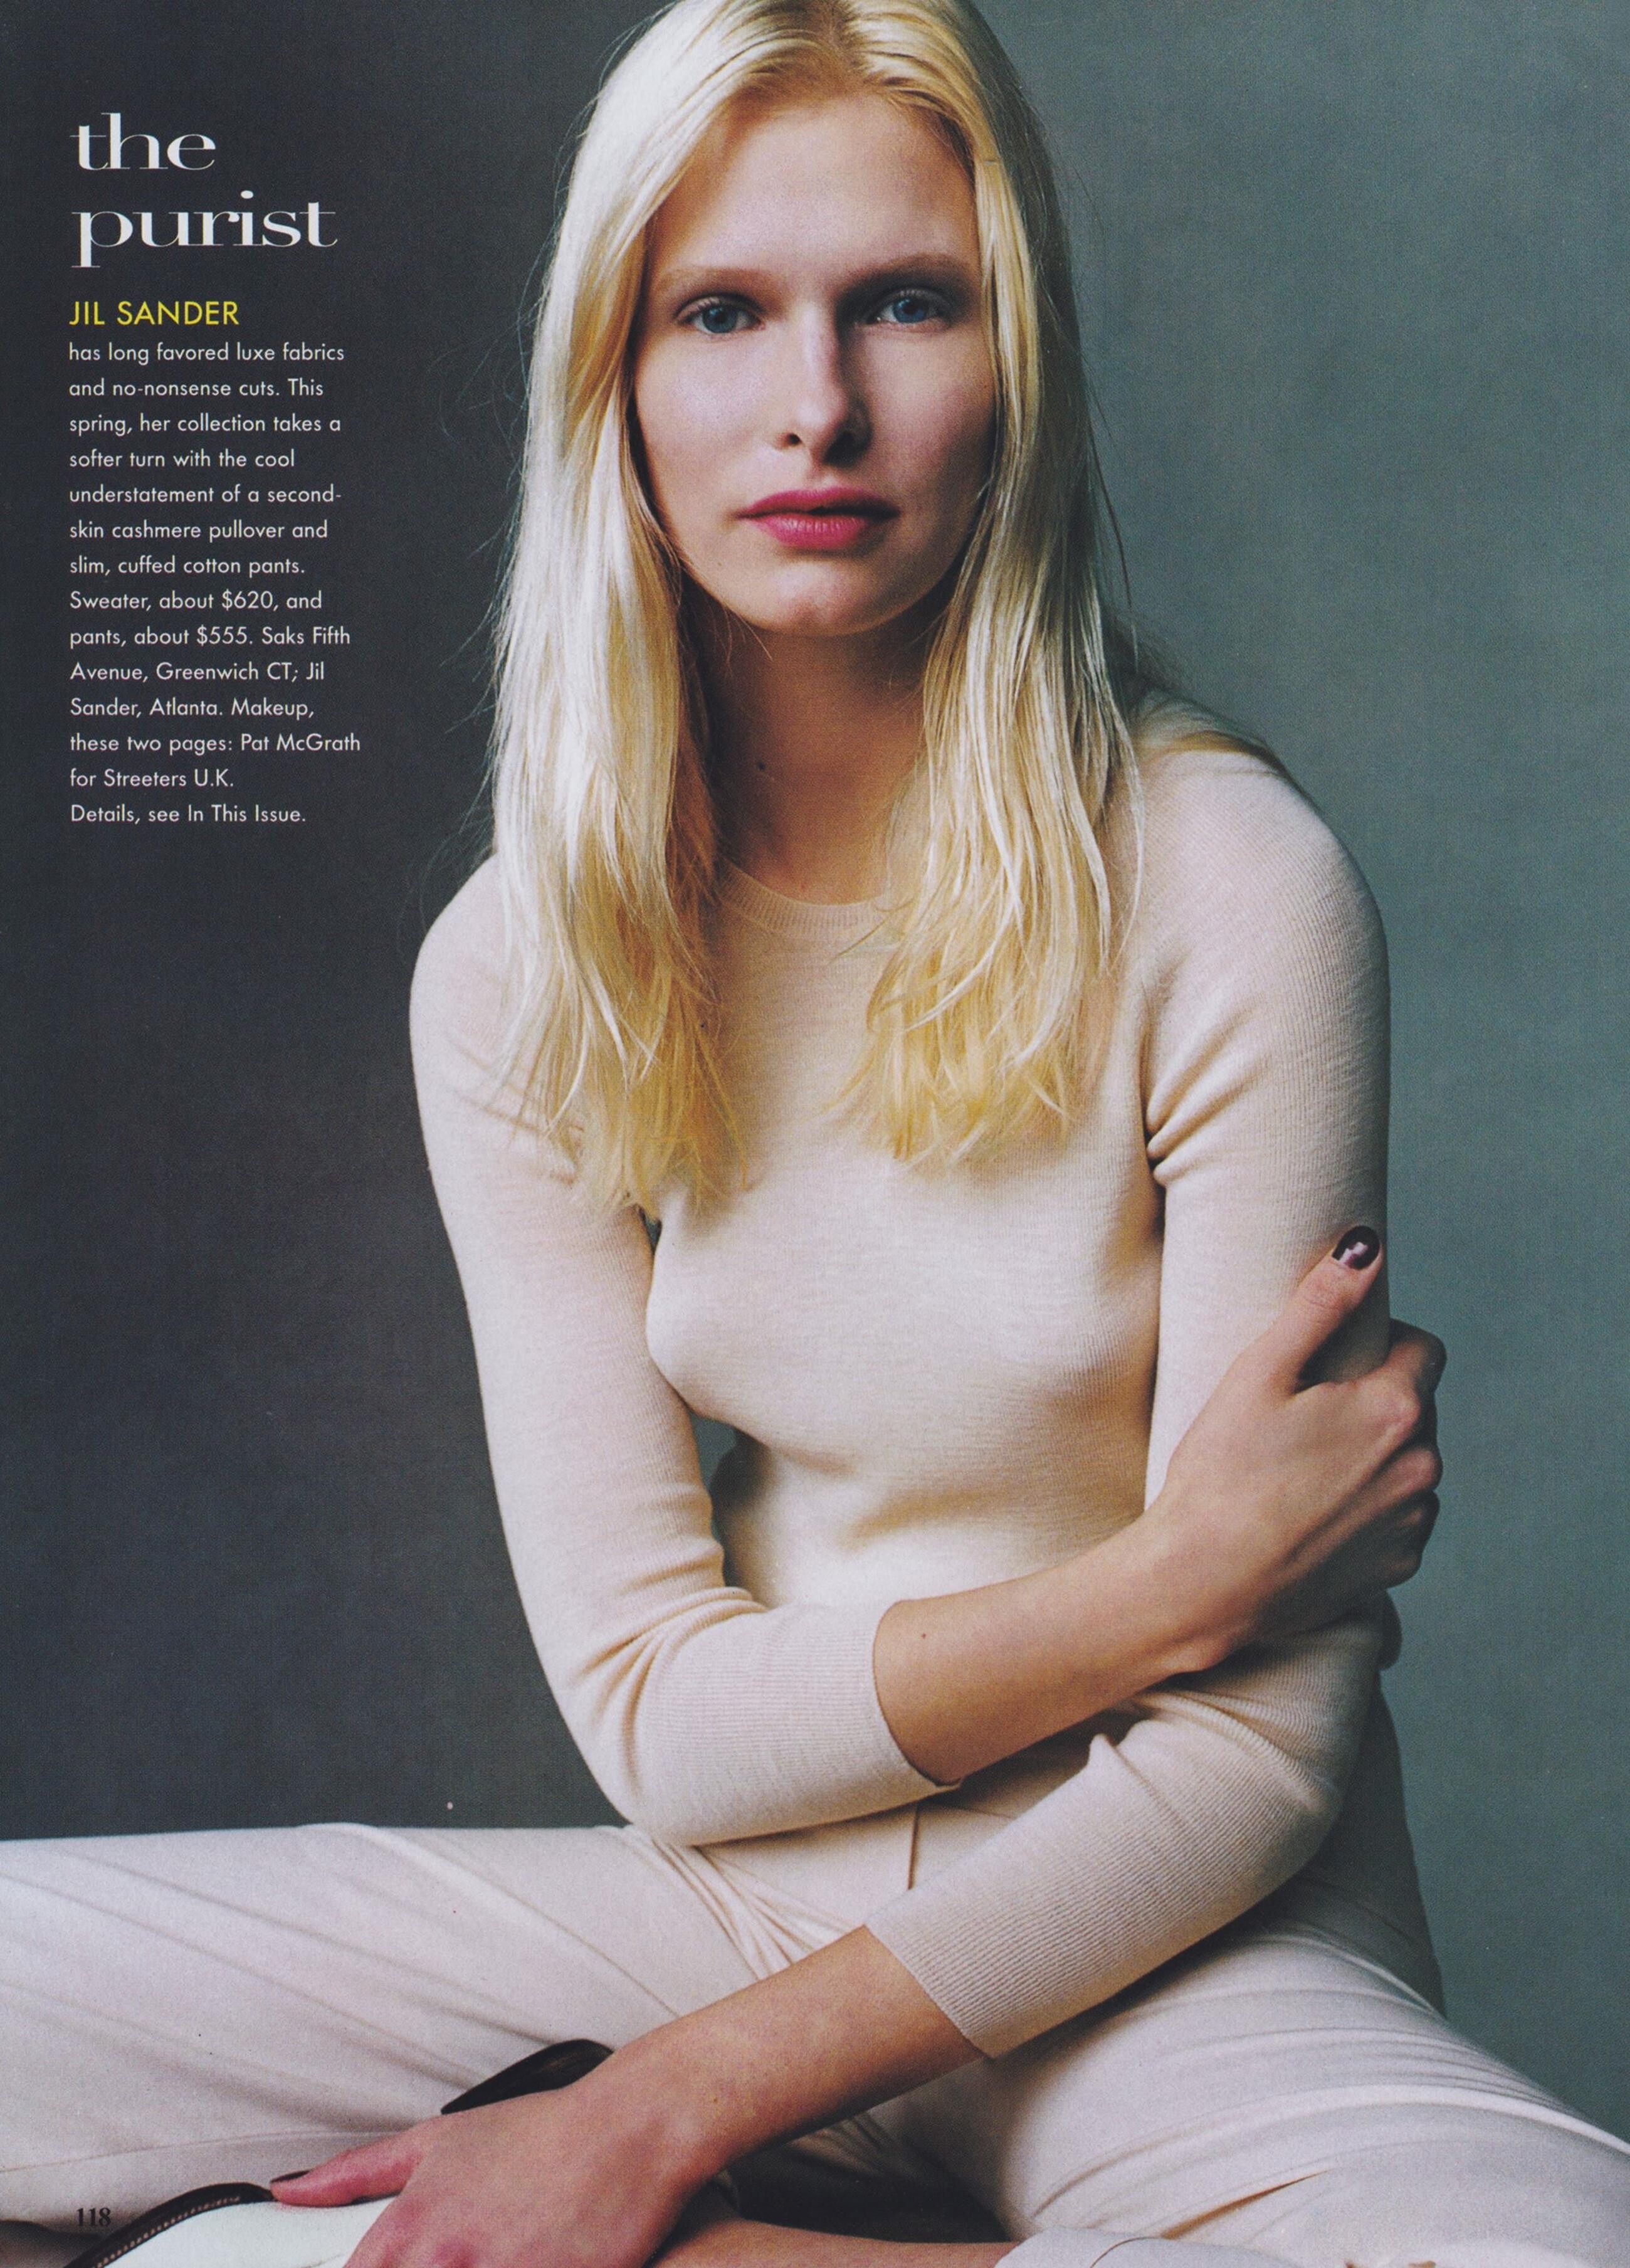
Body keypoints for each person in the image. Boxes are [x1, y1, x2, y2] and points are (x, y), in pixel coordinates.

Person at [1, 4, 1625, 2267]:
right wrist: (1167, 1585)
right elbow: (659, 1717)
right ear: (615, 378)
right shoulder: (522, 966)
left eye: (908, 303)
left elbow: (1251, 1759)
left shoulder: (1231, 880)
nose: (818, 406)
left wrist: (658, 2121)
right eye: (722, 314)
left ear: (1016, 361)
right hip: (729, 1906)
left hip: (1186, 1939)